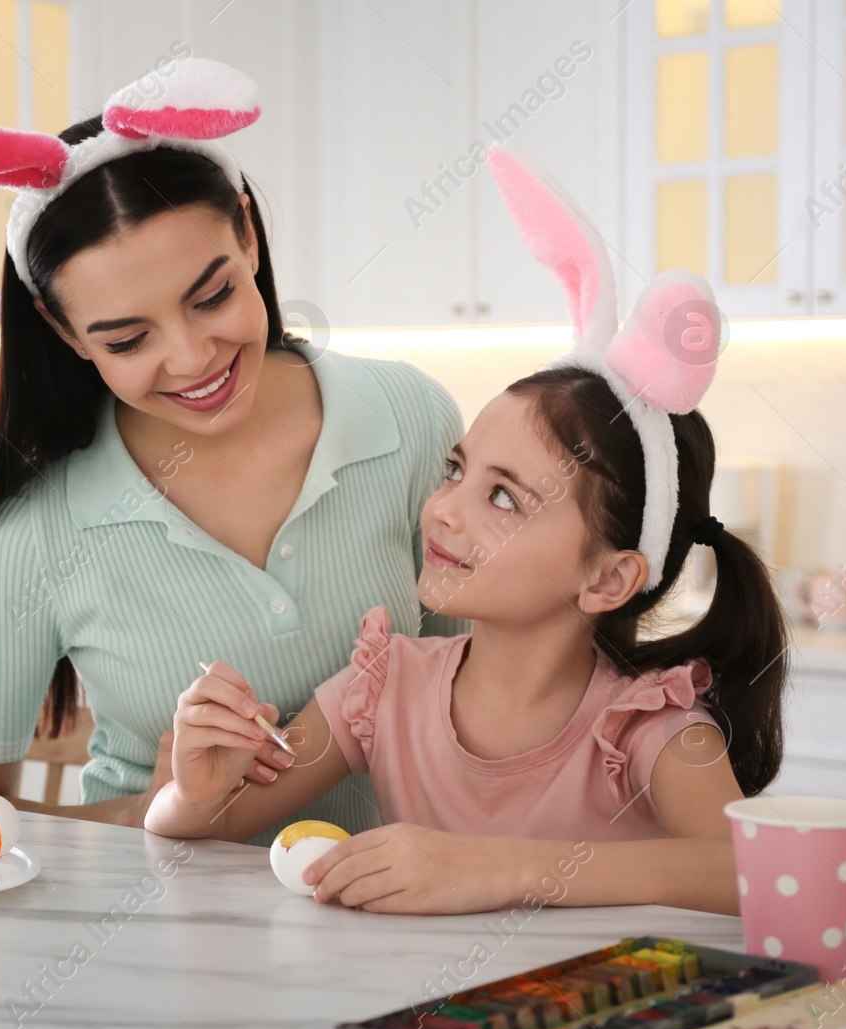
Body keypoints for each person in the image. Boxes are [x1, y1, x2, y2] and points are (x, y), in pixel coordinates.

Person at [145, 148, 787, 915]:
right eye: (456, 470)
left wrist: (494, 867)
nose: (445, 508)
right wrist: (190, 792)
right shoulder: (381, 691)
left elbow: (755, 876)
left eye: (506, 499)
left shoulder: (646, 726)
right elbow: (202, 831)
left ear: (608, 578)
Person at [0, 60, 465, 836]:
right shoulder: (40, 533)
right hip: (157, 936)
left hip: (410, 924)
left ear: (249, 234)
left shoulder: (411, 419)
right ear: (63, 332)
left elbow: (487, 695)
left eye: (213, 295)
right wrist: (159, 807)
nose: (193, 358)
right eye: (128, 338)